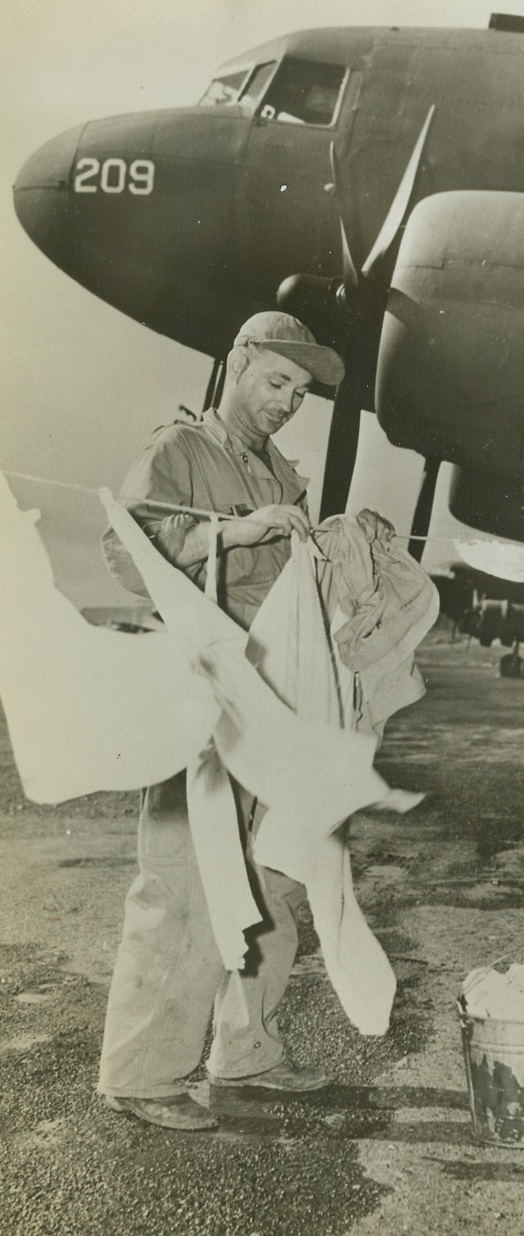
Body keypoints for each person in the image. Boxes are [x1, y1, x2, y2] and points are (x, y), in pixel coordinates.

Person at [98, 311, 393, 1131]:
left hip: (275, 701)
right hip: (203, 698)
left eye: (299, 394)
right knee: (187, 886)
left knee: (270, 879)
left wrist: (343, 547)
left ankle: (246, 1046)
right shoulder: (180, 449)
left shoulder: (280, 473)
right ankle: (142, 1074)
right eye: (275, 383)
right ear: (236, 364)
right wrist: (232, 531)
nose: (286, 404)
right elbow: (127, 553)